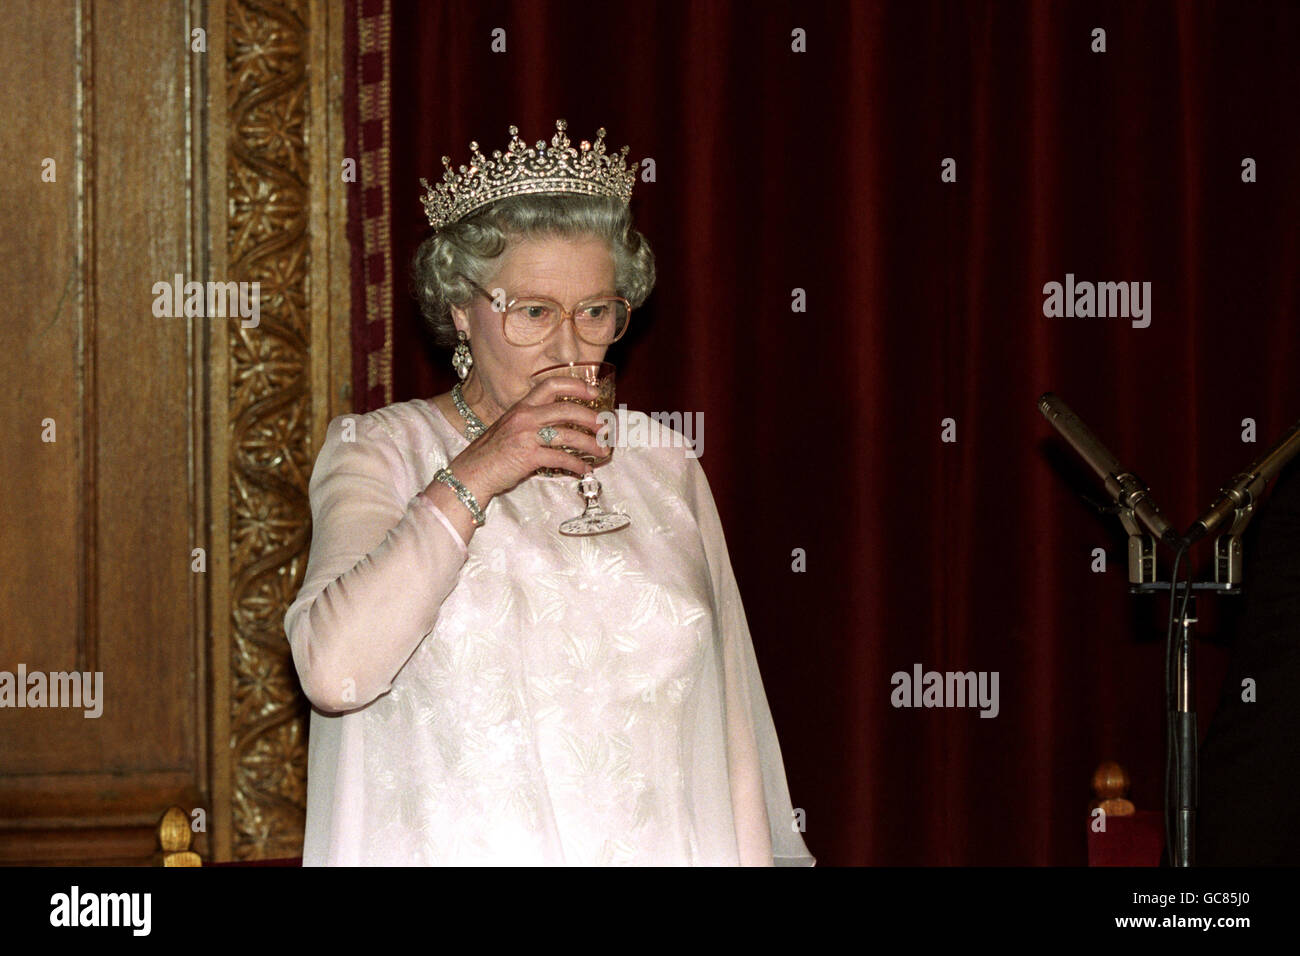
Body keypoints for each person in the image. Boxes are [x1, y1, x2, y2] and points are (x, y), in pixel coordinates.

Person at [283, 119, 815, 865]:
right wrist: (479, 470)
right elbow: (335, 670)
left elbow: (731, 740)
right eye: (533, 312)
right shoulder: (378, 454)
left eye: (596, 312)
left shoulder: (662, 464)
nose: (570, 348)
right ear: (463, 311)